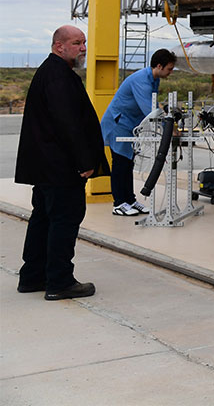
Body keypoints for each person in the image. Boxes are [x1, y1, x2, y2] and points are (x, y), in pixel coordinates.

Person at [16, 26, 109, 300]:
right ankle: (59, 281)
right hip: (61, 168)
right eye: (77, 43)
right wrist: (84, 162)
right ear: (59, 46)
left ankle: (33, 277)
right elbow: (68, 124)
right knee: (64, 220)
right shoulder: (58, 76)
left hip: (47, 168)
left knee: (43, 219)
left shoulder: (51, 72)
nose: (83, 48)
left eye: (83, 43)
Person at [100, 48, 177, 216]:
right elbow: (150, 109)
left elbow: (155, 106)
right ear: (159, 65)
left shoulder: (153, 79)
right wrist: (168, 127)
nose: (170, 72)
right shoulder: (141, 80)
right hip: (118, 123)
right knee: (120, 163)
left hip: (130, 126)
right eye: (169, 68)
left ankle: (130, 200)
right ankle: (119, 203)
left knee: (128, 163)